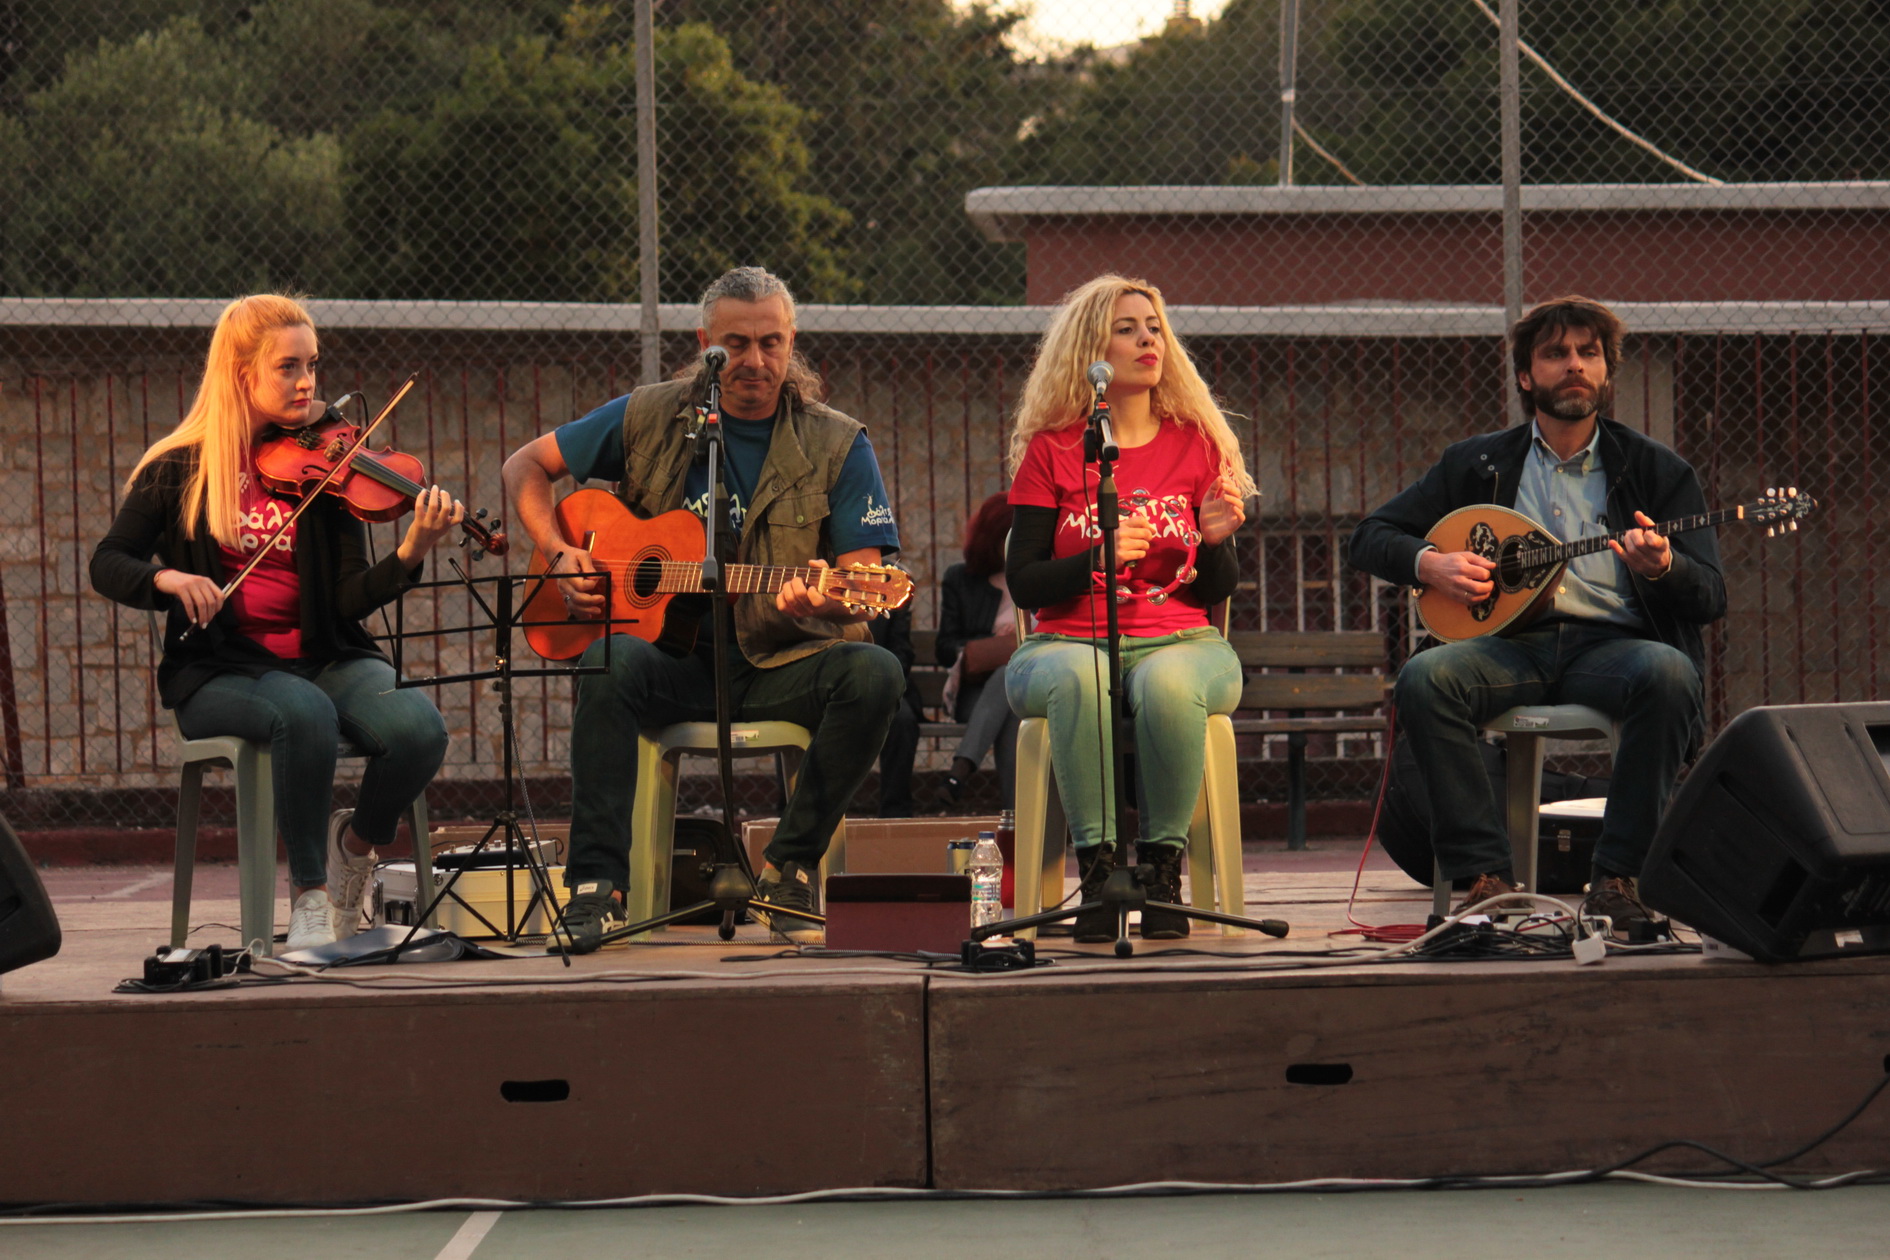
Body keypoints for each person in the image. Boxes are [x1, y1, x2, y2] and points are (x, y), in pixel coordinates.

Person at [502, 266, 904, 951]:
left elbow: (863, 583)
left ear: (792, 341)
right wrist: (558, 551)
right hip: (672, 662)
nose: (756, 361)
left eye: (771, 343)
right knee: (607, 661)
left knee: (875, 674)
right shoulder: (647, 415)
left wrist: (827, 602)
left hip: (778, 659)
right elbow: (525, 466)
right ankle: (597, 888)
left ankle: (787, 868)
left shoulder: (838, 442)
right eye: (736, 344)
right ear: (704, 344)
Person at [90, 294, 463, 950]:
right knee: (304, 712)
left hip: (322, 656)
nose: (307, 382)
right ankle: (311, 897)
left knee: (418, 730)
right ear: (242, 375)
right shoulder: (179, 466)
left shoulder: (328, 462)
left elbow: (346, 600)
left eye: (312, 365)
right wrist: (168, 580)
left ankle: (354, 848)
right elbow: (108, 562)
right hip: (220, 670)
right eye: (288, 367)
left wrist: (411, 552)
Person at [1348, 295, 1725, 936]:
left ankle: (1617, 881)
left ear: (1606, 372)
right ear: (1526, 376)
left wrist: (1665, 567)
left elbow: (1710, 595)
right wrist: (1430, 565)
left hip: (1613, 648)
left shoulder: (1656, 470)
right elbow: (1370, 536)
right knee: (1427, 678)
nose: (1574, 364)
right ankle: (1486, 881)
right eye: (1556, 353)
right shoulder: (1477, 464)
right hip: (1509, 646)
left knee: (1668, 673)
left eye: (1588, 353)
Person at [1005, 274, 1255, 941]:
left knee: (1167, 684)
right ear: (1090, 352)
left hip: (1183, 643)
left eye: (1154, 327)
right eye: (1126, 329)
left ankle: (1162, 873)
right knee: (1082, 675)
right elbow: (1024, 583)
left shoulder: (1197, 444)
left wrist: (1214, 540)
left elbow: (1215, 588)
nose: (1148, 340)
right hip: (1064, 644)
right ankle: (1099, 877)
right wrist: (1097, 557)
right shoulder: (1053, 450)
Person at [935, 492, 1020, 811]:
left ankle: (960, 772)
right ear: (991, 538)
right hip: (973, 693)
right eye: (1007, 539)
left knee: (1011, 689)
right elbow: (944, 648)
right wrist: (991, 643)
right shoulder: (960, 579)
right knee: (1008, 684)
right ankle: (1019, 820)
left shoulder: (1034, 579)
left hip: (1025, 689)